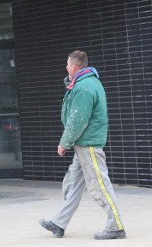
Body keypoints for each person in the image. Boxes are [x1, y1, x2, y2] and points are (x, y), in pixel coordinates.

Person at [39, 50, 126, 241]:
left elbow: (77, 120)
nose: (65, 67)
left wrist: (64, 143)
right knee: (73, 184)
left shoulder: (84, 87)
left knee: (100, 185)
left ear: (74, 67)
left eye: (67, 65)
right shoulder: (84, 83)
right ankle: (59, 223)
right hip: (83, 144)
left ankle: (116, 226)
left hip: (89, 145)